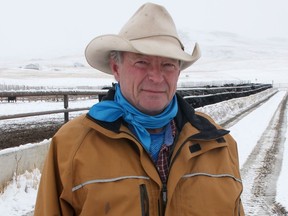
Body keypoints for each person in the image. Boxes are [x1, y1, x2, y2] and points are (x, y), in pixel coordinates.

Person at [35, 2, 244, 215]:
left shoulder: (219, 145)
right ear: (116, 68)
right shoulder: (71, 146)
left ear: (178, 72)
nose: (156, 77)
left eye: (168, 65)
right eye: (142, 62)